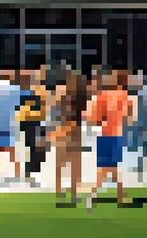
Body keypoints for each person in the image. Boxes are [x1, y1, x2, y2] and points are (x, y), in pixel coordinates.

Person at [85, 71, 134, 209]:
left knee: (107, 168)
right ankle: (99, 194)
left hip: (103, 134)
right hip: (115, 134)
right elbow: (129, 116)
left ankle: (117, 195)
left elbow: (91, 118)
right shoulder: (123, 96)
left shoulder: (101, 96)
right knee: (109, 168)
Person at [52, 72, 87, 205]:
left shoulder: (63, 96)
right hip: (71, 130)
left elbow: (57, 114)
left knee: (65, 163)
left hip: (67, 130)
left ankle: (63, 191)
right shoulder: (76, 97)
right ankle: (69, 191)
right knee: (72, 163)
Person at [0, 71, 23, 184]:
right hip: (10, 122)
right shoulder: (14, 90)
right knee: (11, 149)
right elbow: (18, 105)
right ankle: (17, 172)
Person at [17, 70, 47, 186]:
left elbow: (44, 107)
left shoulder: (41, 91)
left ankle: (33, 170)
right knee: (31, 146)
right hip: (28, 121)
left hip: (36, 121)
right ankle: (30, 170)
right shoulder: (26, 91)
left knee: (36, 147)